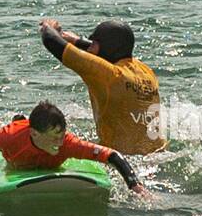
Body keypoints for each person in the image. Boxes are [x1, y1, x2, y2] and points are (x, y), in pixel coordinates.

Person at [0, 101, 149, 196]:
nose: (59, 142)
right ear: (35, 134)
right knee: (17, 125)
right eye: (54, 137)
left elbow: (113, 155)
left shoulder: (68, 143)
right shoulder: (9, 137)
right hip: (19, 151)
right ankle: (20, 120)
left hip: (35, 148)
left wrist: (135, 185)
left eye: (62, 134)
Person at [37, 18, 165, 155]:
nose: (90, 47)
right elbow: (105, 51)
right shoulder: (145, 70)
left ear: (104, 48)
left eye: (94, 44)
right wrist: (76, 41)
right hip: (158, 153)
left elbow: (52, 42)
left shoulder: (108, 76)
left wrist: (48, 27)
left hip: (122, 159)